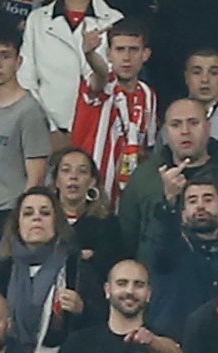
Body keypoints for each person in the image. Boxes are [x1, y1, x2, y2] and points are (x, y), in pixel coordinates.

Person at [119, 98, 218, 261]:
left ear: (208, 128)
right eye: (176, 125)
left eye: (193, 123)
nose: (185, 131)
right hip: (157, 271)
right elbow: (126, 240)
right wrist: (167, 201)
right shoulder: (144, 177)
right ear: (165, 133)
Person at [0, 186, 102, 353]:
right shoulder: (1, 270)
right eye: (28, 213)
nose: (36, 218)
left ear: (56, 222)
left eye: (45, 213)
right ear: (17, 224)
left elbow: (102, 321)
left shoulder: (78, 268)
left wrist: (82, 309)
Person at [0, 24, 51, 252]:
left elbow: (36, 176)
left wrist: (19, 221)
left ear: (18, 62)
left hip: (9, 212)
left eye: (5, 56)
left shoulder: (29, 111)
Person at [70, 19, 156, 213]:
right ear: (109, 54)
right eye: (120, 50)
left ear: (146, 54)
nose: (126, 57)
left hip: (128, 200)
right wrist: (89, 54)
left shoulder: (148, 95)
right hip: (91, 198)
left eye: (133, 50)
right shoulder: (103, 85)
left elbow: (147, 149)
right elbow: (100, 73)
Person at [16, 0, 117, 152]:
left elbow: (111, 80)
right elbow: (26, 80)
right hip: (47, 133)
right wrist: (50, 129)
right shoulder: (37, 19)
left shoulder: (114, 19)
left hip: (98, 134)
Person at [142, 179, 218, 338]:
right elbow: (165, 233)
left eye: (208, 199)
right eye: (192, 201)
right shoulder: (170, 245)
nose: (200, 206)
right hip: (171, 342)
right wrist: (169, 200)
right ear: (182, 215)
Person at [50, 147, 123, 267]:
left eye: (82, 171)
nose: (73, 176)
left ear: (92, 182)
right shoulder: (45, 219)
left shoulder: (107, 224)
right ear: (56, 181)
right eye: (66, 170)